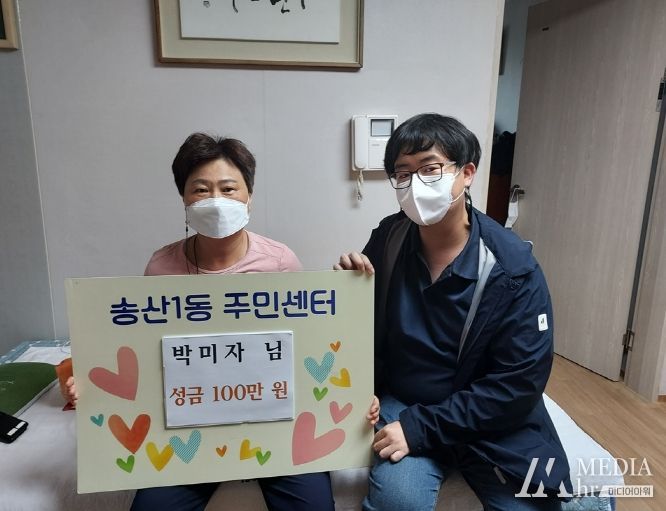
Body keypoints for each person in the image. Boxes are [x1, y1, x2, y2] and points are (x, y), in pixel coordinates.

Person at [66, 132, 339, 511]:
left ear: (249, 195)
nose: (216, 200)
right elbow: (146, 351)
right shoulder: (161, 266)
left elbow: (304, 346)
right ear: (184, 198)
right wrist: (93, 384)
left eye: (228, 188)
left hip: (273, 422)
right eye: (200, 190)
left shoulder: (280, 262)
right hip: (190, 423)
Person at [334, 113, 572, 510]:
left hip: (487, 416)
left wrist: (422, 428)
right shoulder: (390, 239)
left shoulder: (512, 268)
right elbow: (358, 332)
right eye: (403, 174)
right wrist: (346, 292)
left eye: (430, 169)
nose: (415, 184)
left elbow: (518, 382)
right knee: (398, 501)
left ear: (467, 173)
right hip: (406, 400)